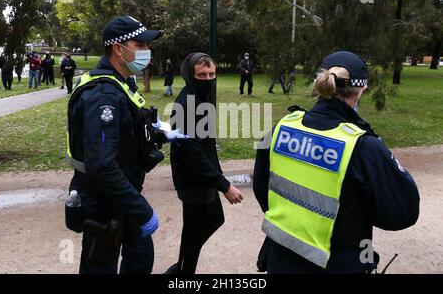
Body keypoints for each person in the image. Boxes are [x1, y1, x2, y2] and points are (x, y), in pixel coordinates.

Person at [253, 51, 420, 274]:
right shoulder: (364, 147)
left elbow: (260, 185)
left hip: (281, 256)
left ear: (319, 84)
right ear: (361, 91)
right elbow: (401, 213)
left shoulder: (279, 130)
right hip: (337, 263)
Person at [65, 15, 186, 274]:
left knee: (140, 254)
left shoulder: (121, 84)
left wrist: (162, 133)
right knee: (100, 265)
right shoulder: (103, 95)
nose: (147, 51)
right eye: (140, 45)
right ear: (119, 49)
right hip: (103, 198)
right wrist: (140, 209)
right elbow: (102, 165)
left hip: (121, 192)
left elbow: (128, 133)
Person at [165, 53, 244, 274]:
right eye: (202, 74)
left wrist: (219, 177)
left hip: (203, 177)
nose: (208, 78)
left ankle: (181, 266)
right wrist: (225, 185)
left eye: (212, 74)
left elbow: (206, 145)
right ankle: (181, 271)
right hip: (192, 180)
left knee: (211, 221)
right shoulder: (189, 104)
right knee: (196, 230)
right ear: (191, 75)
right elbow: (194, 155)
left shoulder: (202, 97)